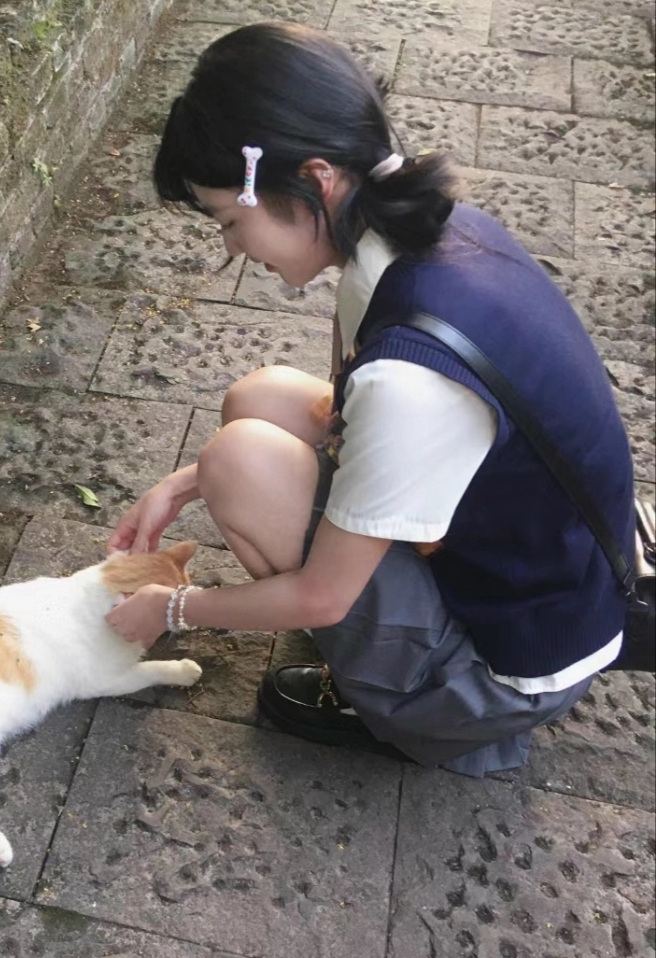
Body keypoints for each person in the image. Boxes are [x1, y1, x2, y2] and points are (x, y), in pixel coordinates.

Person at [104, 22, 636, 776]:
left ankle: (400, 708)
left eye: (232, 221)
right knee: (259, 399)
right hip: (536, 575)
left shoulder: (410, 379)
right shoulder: (422, 234)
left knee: (241, 464)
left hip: (500, 673)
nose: (232, 248)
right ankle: (384, 639)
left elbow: (322, 597)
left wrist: (171, 607)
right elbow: (345, 420)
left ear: (315, 180)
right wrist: (183, 484)